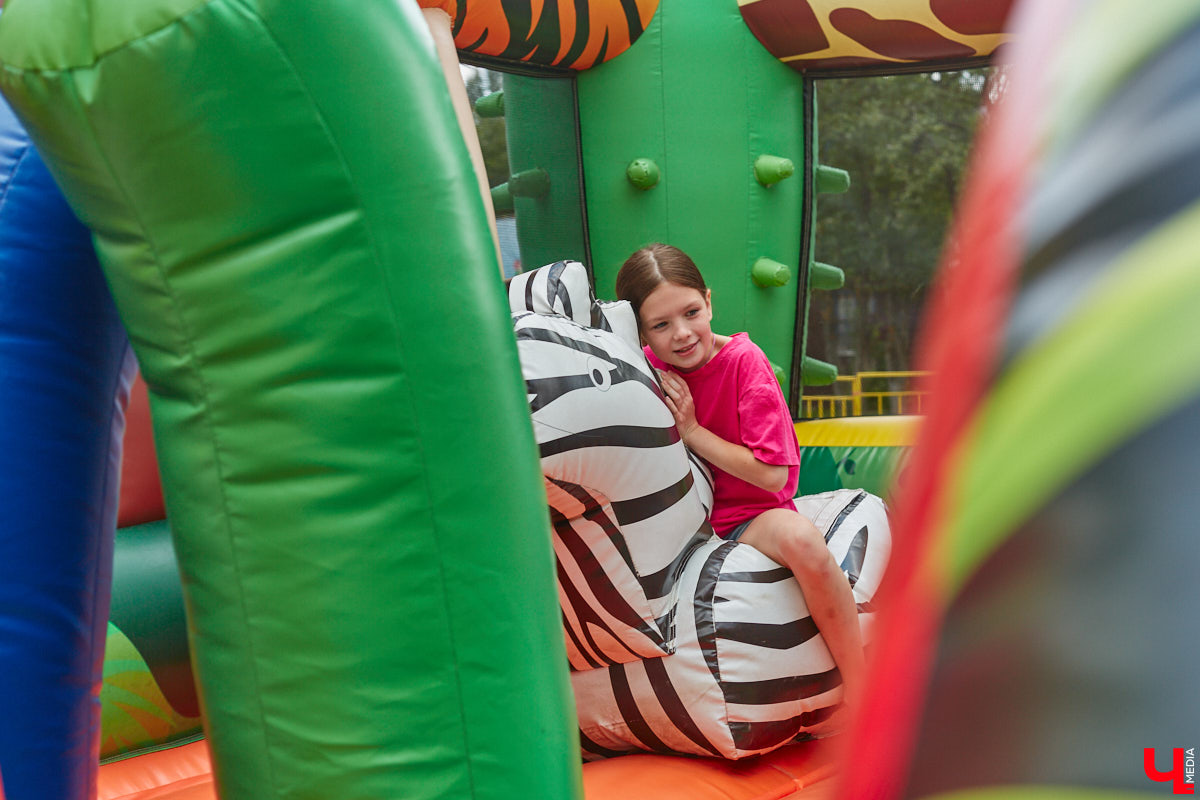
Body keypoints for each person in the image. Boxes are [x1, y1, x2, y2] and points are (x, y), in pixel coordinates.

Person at [616, 243, 864, 729]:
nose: (682, 333)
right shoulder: (643, 370)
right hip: (680, 519)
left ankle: (863, 685)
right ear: (641, 332)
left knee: (802, 542)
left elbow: (774, 475)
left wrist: (693, 432)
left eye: (691, 312)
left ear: (709, 301)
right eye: (661, 325)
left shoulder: (744, 362)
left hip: (746, 514)